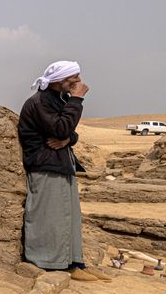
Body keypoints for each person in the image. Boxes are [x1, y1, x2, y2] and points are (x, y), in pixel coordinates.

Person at [17, 60, 110, 282]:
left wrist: (68, 138)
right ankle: (49, 263)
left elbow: (68, 134)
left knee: (69, 218)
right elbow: (60, 128)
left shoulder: (60, 100)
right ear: (59, 80)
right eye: (73, 78)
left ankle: (74, 263)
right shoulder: (39, 102)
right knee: (50, 219)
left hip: (61, 164)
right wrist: (77, 100)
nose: (78, 81)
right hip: (45, 166)